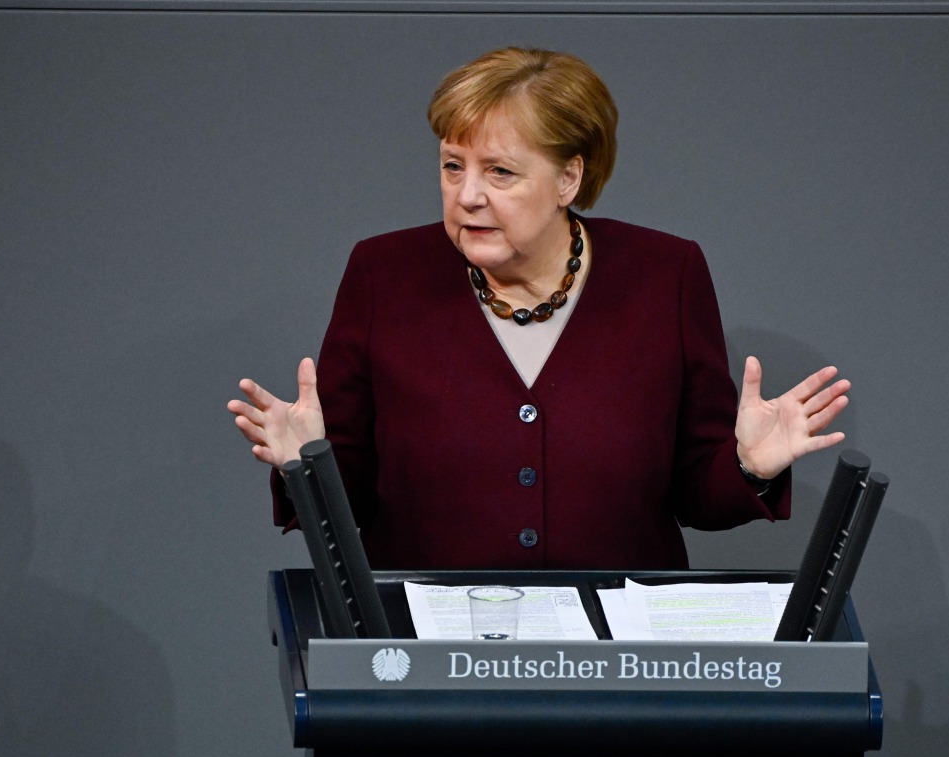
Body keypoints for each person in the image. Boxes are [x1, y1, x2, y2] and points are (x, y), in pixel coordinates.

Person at [227, 47, 850, 571]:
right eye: (452, 166)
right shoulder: (381, 276)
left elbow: (695, 496)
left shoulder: (667, 275)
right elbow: (354, 502)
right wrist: (305, 468)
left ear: (568, 179)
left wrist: (746, 466)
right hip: (432, 662)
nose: (467, 195)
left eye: (500, 172)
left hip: (618, 665)